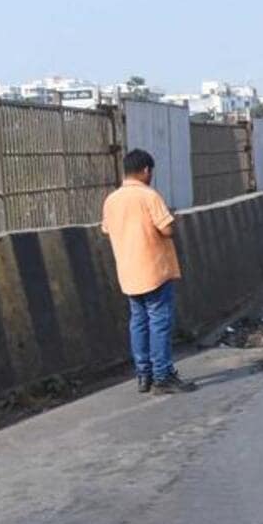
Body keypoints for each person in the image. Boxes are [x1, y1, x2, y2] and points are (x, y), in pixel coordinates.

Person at [100, 149, 197, 394]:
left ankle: (144, 374)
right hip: (154, 270)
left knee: (138, 322)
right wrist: (172, 219)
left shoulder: (111, 200)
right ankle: (163, 375)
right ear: (146, 171)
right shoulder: (148, 195)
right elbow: (167, 230)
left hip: (129, 271)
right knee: (159, 322)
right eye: (150, 172)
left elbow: (107, 230)